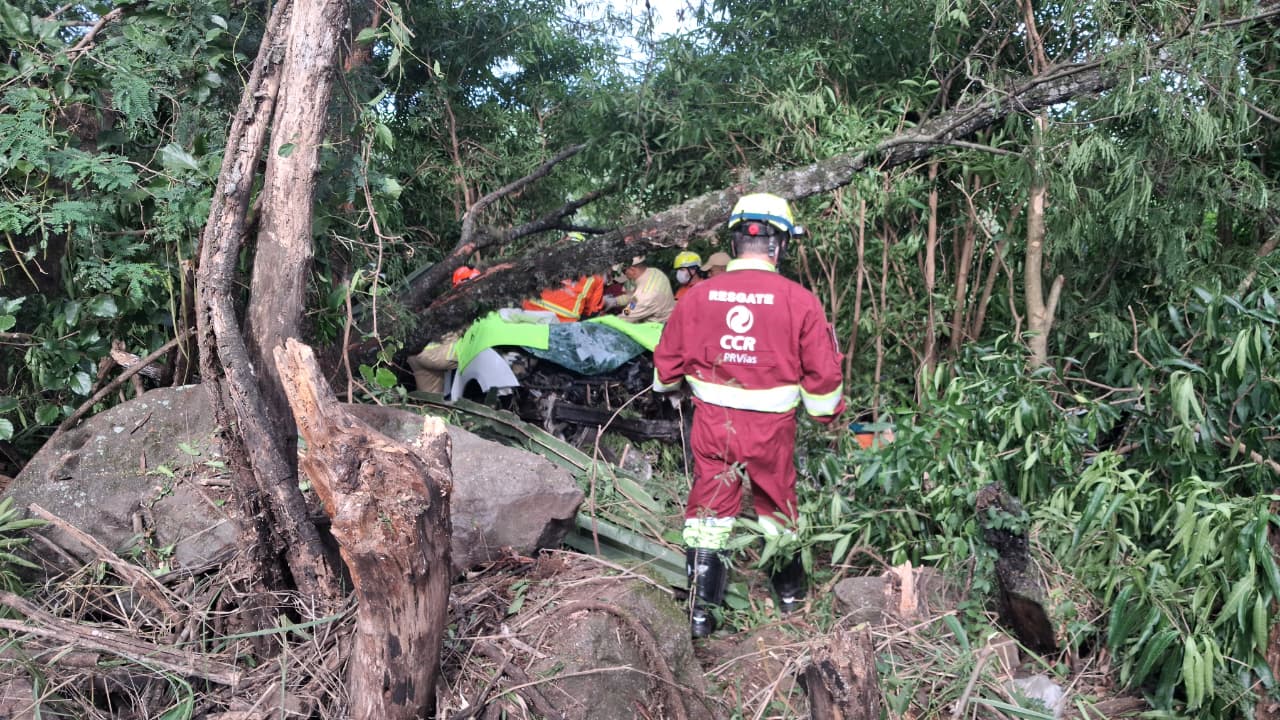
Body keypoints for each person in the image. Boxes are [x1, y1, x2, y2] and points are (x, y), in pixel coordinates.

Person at [652, 193, 846, 638]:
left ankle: (701, 616)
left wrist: (672, 388)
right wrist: (825, 414)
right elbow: (822, 377)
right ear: (779, 246)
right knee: (778, 507)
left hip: (712, 424)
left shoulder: (697, 295)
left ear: (737, 241)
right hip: (771, 431)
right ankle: (792, 601)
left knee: (708, 510)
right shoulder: (800, 301)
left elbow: (665, 368)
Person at [407, 266, 480, 393]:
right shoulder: (467, 302)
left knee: (430, 401)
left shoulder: (443, 300)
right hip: (439, 354)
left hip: (415, 353)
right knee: (482, 349)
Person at [521, 234, 605, 321]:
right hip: (562, 328)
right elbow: (592, 311)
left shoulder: (540, 260)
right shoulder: (595, 277)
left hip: (527, 318)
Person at [604, 255, 675, 323]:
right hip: (669, 318)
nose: (624, 274)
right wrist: (615, 301)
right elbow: (633, 297)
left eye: (623, 271)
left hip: (656, 330)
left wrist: (603, 320)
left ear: (632, 270)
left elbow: (625, 317)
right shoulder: (655, 272)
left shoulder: (645, 296)